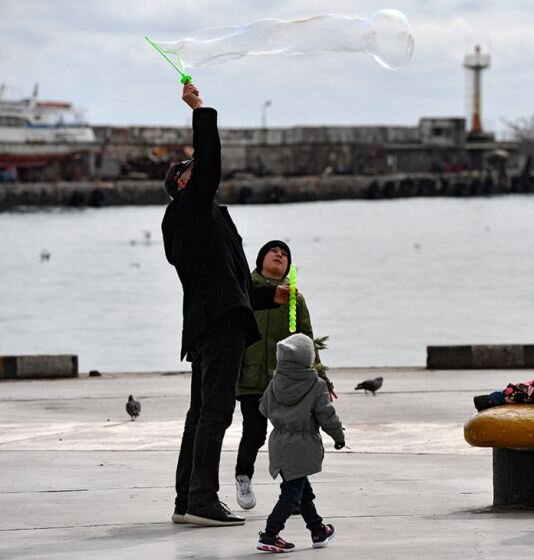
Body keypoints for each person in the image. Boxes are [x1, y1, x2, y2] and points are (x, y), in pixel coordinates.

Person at [162, 82, 289, 526]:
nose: (198, 170)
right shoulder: (190, 209)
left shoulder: (200, 217)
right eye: (190, 169)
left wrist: (266, 296)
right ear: (182, 183)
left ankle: (186, 500)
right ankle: (202, 499)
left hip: (210, 320)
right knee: (215, 412)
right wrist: (200, 109)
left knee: (200, 414)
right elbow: (211, 160)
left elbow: (225, 282)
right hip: (218, 326)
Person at [234, 240, 335, 510]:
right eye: (273, 251)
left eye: (285, 254)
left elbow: (307, 340)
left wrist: (321, 378)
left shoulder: (294, 298)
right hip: (250, 377)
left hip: (284, 381)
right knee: (254, 432)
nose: (279, 255)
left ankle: (294, 495)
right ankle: (243, 477)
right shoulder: (245, 289)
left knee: (291, 437)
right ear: (261, 259)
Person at [256, 334, 344, 553]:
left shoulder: (275, 382)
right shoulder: (316, 385)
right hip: (302, 446)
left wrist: (282, 417)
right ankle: (270, 534)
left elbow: (263, 408)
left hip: (279, 443)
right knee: (291, 494)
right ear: (307, 359)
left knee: (302, 491)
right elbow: (327, 415)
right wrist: (338, 436)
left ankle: (318, 530)